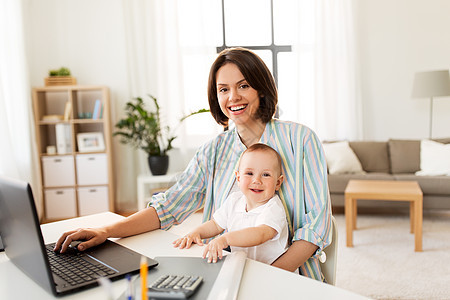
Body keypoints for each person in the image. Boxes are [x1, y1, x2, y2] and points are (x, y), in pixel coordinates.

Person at [54, 47, 332, 281]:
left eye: (243, 85)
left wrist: (266, 280)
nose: (233, 97)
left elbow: (315, 228)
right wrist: (107, 231)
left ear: (261, 89)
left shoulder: (301, 139)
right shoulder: (212, 151)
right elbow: (168, 207)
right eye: (223, 89)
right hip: (226, 270)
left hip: (289, 277)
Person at [173, 143, 288, 266]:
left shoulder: (273, 207)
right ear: (238, 178)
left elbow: (261, 234)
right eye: (249, 173)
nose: (257, 180)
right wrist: (196, 233)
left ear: (277, 183)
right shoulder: (234, 200)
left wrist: (226, 239)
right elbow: (216, 225)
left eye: (266, 175)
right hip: (243, 265)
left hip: (272, 271)